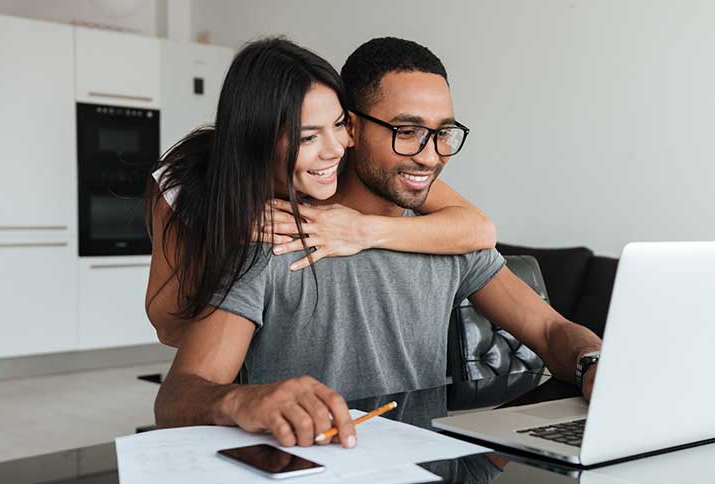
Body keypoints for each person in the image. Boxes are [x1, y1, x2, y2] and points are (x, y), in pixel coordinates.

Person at [153, 37, 602, 452]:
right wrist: (240, 400)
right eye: (406, 131)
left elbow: (550, 331)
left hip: (429, 471)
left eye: (442, 132)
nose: (430, 155)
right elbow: (179, 395)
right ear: (354, 128)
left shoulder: (446, 240)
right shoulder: (273, 235)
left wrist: (593, 364)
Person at [145, 37, 497, 348]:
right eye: (308, 136)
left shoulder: (345, 158)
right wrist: (228, 234)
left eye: (340, 123)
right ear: (260, 140)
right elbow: (168, 328)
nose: (337, 148)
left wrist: (359, 230)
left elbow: (479, 229)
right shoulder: (186, 184)